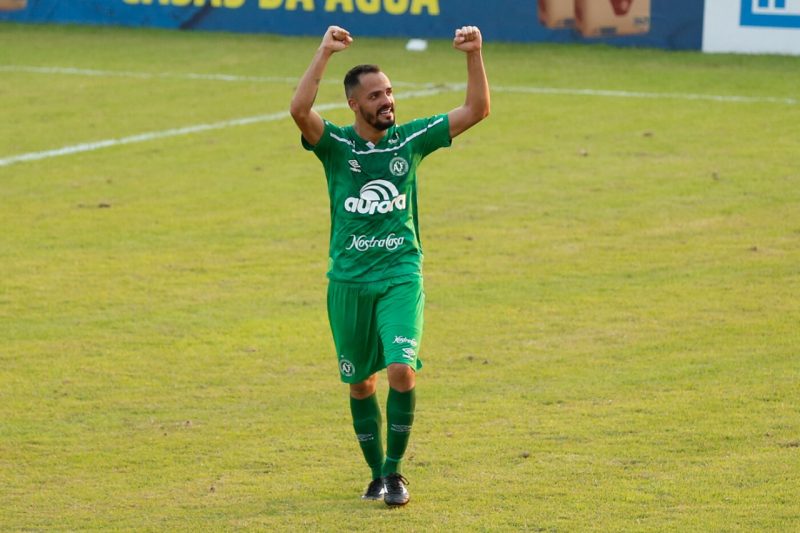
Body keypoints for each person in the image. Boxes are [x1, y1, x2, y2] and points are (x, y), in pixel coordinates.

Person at [289, 24, 490, 507]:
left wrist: (474, 54)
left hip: (401, 275)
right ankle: (375, 473)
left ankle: (396, 475)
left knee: (401, 369)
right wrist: (323, 53)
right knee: (361, 383)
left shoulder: (410, 140)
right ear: (354, 105)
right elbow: (299, 110)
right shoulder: (335, 146)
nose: (387, 101)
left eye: (390, 92)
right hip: (348, 283)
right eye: (376, 95)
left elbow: (477, 110)